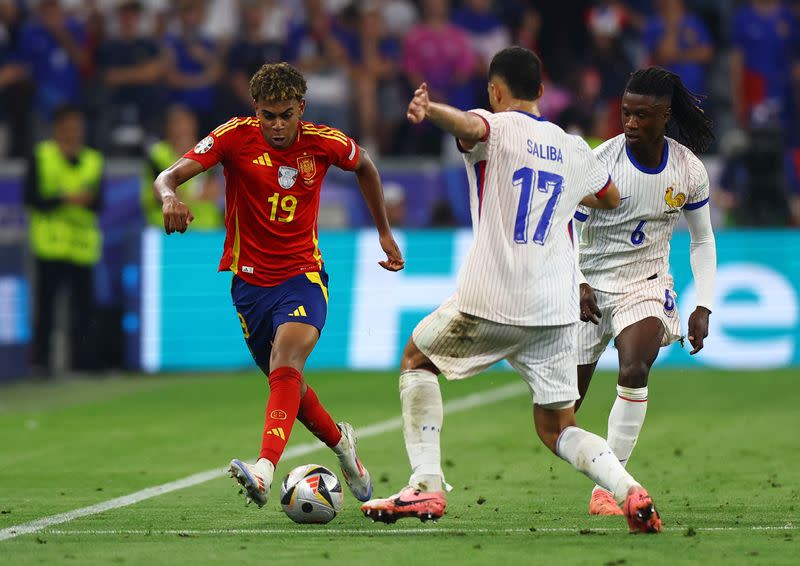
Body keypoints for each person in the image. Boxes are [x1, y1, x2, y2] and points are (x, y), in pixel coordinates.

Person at [360, 46, 662, 534]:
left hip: (493, 297)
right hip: (556, 308)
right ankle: (628, 490)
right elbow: (608, 197)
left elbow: (469, 128)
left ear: (495, 92)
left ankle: (426, 484)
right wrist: (566, 188)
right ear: (542, 91)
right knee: (557, 427)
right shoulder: (573, 147)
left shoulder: (494, 125)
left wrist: (429, 109)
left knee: (417, 358)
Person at [153, 62, 405, 508]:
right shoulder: (233, 136)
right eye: (268, 115)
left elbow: (365, 165)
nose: (277, 125)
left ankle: (265, 469)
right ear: (256, 112)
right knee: (287, 383)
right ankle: (344, 446)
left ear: (301, 109)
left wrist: (383, 231)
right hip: (249, 286)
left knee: (286, 359)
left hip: (302, 276)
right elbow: (166, 176)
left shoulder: (323, 142)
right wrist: (170, 198)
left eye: (286, 114)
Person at [572, 67, 716, 516]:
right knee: (561, 407)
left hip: (646, 284)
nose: (630, 123)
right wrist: (575, 281)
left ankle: (610, 491)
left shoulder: (688, 170)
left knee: (635, 368)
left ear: (665, 115)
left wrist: (703, 304)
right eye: (625, 114)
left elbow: (702, 239)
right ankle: (604, 473)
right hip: (588, 285)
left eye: (642, 115)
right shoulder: (600, 166)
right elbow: (566, 230)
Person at [25, 104, 104, 376]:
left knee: (84, 309)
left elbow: (99, 203)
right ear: (57, 128)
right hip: (50, 245)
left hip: (82, 246)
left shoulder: (93, 159)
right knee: (46, 307)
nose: (74, 131)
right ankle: (42, 364)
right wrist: (64, 199)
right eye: (68, 126)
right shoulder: (42, 156)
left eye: (77, 126)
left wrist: (87, 201)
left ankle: (84, 363)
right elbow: (31, 198)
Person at [141, 105, 222, 229]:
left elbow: (213, 191)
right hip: (167, 230)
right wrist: (195, 195)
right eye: (176, 124)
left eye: (185, 123)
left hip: (207, 230)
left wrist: (182, 196)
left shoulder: (209, 151)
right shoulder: (157, 154)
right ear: (168, 127)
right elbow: (160, 193)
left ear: (194, 124)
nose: (181, 129)